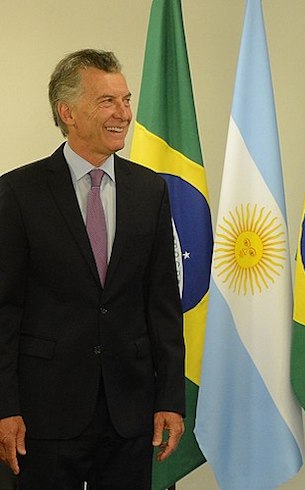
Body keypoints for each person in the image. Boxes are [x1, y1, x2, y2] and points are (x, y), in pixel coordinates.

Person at [0, 49, 185, 488]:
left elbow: (162, 304)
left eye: (125, 99)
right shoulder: (18, 193)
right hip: (44, 415)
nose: (123, 113)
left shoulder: (149, 191)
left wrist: (170, 398)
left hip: (129, 411)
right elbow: (4, 311)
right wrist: (5, 406)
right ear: (68, 113)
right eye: (107, 101)